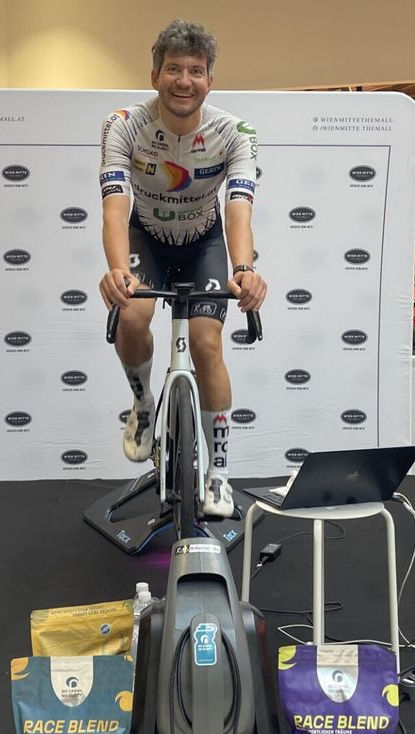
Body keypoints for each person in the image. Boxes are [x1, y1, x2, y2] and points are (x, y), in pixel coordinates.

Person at [97, 19, 267, 518]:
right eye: (174, 68)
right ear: (154, 75)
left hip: (204, 241)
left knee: (206, 342)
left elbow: (239, 210)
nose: (184, 80)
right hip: (145, 236)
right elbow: (113, 206)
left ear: (210, 80)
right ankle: (144, 403)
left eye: (196, 70)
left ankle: (218, 472)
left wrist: (243, 268)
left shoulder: (236, 133)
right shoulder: (123, 124)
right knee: (131, 318)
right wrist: (115, 270)